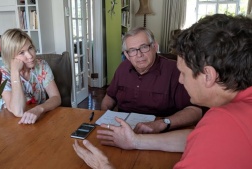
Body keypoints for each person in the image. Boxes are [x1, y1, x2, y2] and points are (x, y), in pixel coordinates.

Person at [73, 14, 252, 168]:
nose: (181, 79)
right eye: (132, 51)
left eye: (184, 73)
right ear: (127, 54)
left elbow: (206, 132)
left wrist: (104, 166)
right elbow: (193, 137)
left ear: (209, 75)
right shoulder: (229, 116)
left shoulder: (224, 123)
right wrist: (135, 141)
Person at [101, 27, 202, 134]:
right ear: (127, 55)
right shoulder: (123, 68)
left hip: (160, 134)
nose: (139, 55)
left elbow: (195, 111)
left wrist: (163, 123)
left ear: (155, 46)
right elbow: (110, 97)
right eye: (132, 50)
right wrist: (103, 116)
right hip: (123, 131)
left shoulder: (175, 71)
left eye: (144, 47)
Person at [0, 28, 61, 124]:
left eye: (30, 48)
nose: (30, 55)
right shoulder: (3, 74)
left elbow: (56, 98)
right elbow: (18, 111)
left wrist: (39, 109)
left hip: (38, 120)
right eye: (21, 53)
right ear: (10, 56)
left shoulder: (41, 65)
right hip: (13, 124)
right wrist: (15, 72)